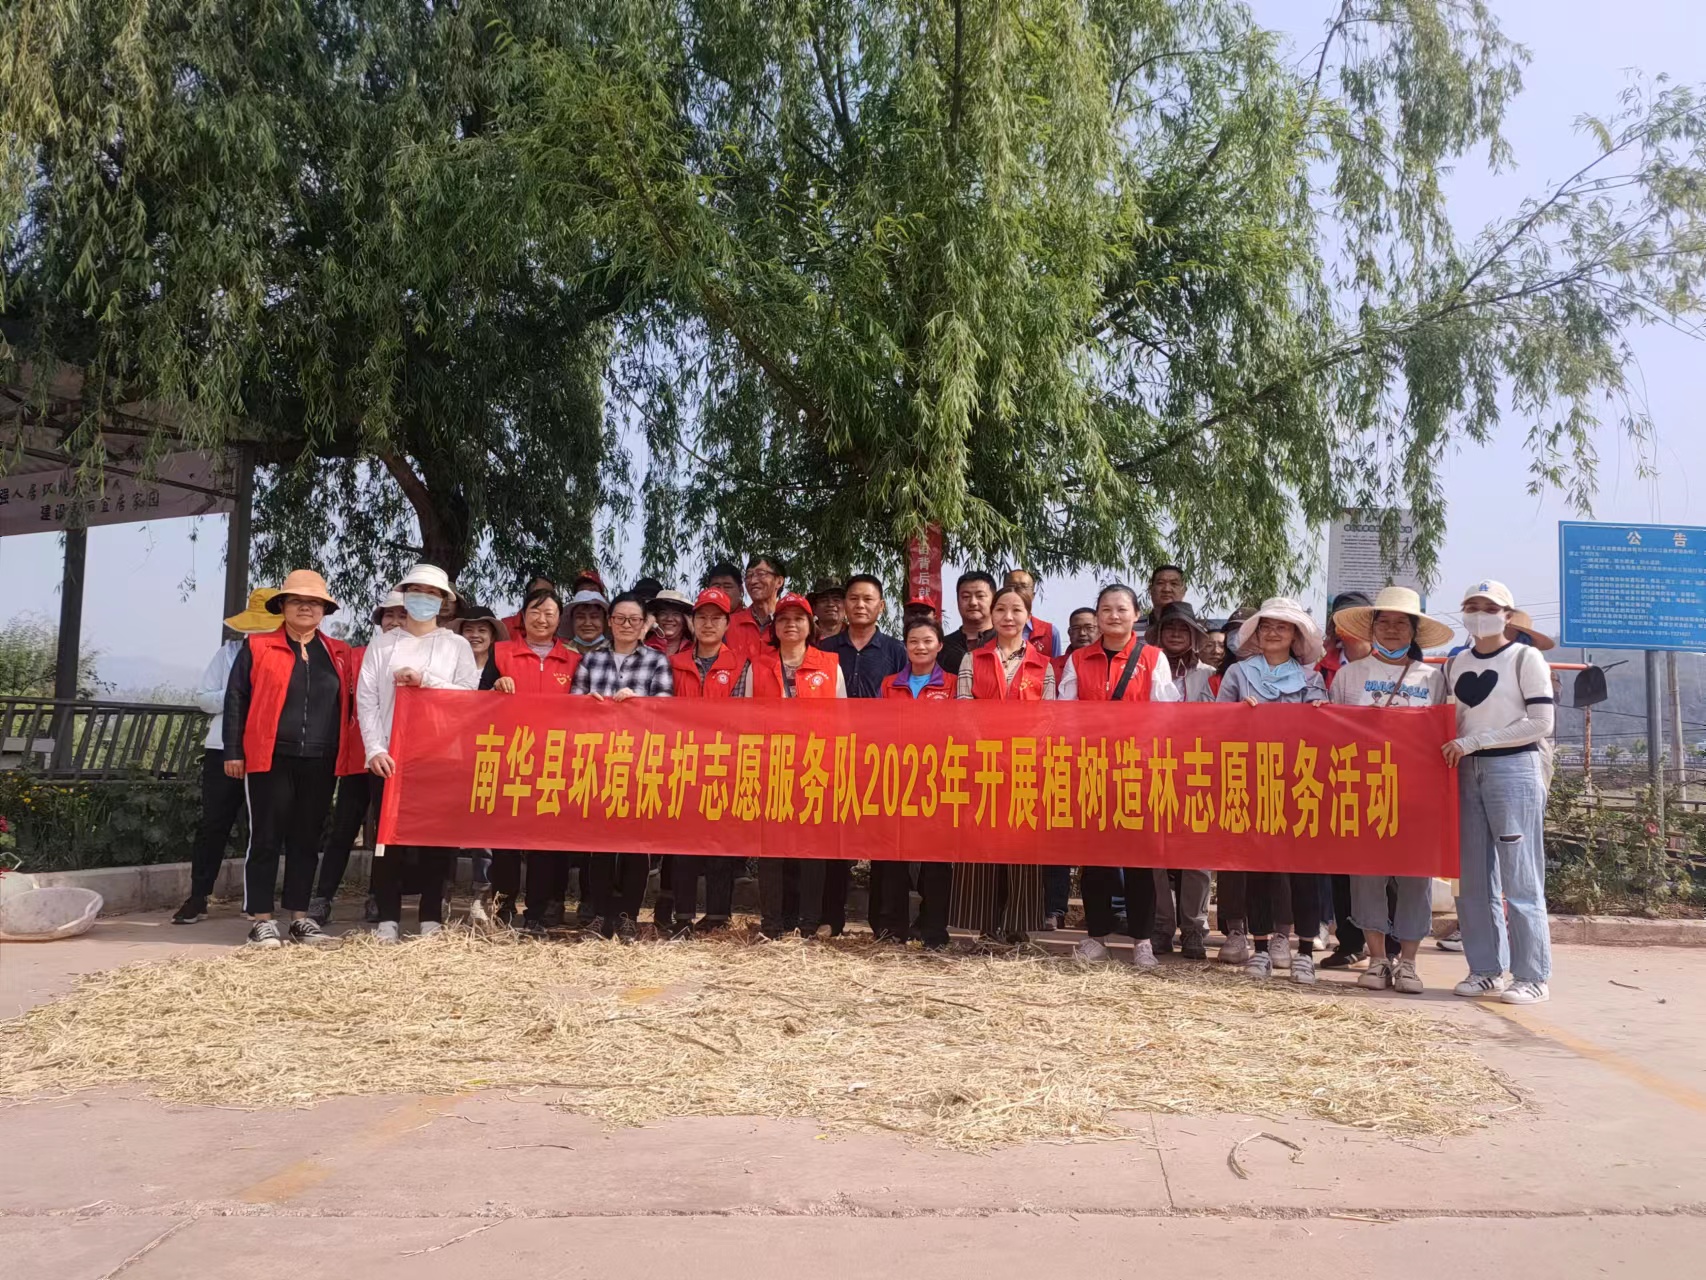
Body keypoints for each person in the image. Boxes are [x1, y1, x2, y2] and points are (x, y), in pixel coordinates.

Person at [1327, 587, 1452, 994]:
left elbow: (1442, 733)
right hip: (1364, 790)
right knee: (1367, 876)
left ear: (1414, 631)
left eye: (1402, 623)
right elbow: (1331, 732)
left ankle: (1409, 962)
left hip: (1417, 794)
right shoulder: (1349, 675)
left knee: (1415, 877)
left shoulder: (1432, 678)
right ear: (1372, 628)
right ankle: (1378, 958)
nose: (1393, 629)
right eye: (1385, 622)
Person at [224, 571, 353, 949]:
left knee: (307, 839)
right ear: (282, 606)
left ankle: (299, 918)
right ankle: (261, 920)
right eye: (296, 601)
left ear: (324, 610)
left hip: (321, 758)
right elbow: (236, 699)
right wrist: (233, 751)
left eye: (314, 603)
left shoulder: (339, 653)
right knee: (265, 836)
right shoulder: (258, 646)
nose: (305, 608)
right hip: (271, 756)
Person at [1444, 579, 1556, 1005]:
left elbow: (1540, 722)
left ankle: (1532, 975)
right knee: (1473, 878)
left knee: (1520, 876)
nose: (1479, 614)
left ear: (1507, 616)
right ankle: (1485, 969)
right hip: (1465, 770)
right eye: (1472, 606)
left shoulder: (1525, 658)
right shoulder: (1456, 663)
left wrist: (1477, 741)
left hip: (1513, 769)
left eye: (1489, 608)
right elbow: (1449, 718)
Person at [1058, 583, 1179, 967]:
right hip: (1091, 770)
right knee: (1095, 860)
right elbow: (1065, 714)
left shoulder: (1153, 658)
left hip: (1139, 771)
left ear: (1136, 614)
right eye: (1106, 609)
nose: (1113, 615)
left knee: (1140, 859)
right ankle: (1096, 936)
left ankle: (1142, 940)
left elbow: (1166, 715)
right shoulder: (1079, 660)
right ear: (1097, 615)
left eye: (1121, 609)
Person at [357, 563, 480, 941]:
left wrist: (426, 680)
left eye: (432, 593)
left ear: (444, 601)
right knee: (388, 839)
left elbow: (468, 696)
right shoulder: (383, 644)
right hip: (391, 756)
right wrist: (375, 748)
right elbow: (367, 699)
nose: (423, 599)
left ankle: (431, 916)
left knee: (436, 840)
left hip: (441, 755)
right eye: (416, 591)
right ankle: (387, 917)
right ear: (404, 595)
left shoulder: (456, 645)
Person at [1216, 596, 1328, 983]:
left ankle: (1305, 951)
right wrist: (1237, 714)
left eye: (1282, 626)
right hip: (1252, 781)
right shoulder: (1238, 674)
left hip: (1299, 782)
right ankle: (1261, 948)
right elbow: (1215, 723)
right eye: (1266, 626)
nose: (1274, 632)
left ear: (1296, 635)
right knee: (1258, 868)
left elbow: (1325, 731)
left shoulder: (1311, 679)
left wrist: (1319, 714)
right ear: (1257, 634)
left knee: (1303, 869)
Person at [171, 588, 282, 926]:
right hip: (222, 749)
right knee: (213, 824)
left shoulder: (288, 656)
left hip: (270, 750)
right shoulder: (229, 653)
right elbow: (204, 699)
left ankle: (255, 900)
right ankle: (198, 895)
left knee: (262, 827)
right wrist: (239, 693)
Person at [950, 587, 1052, 944]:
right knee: (982, 842)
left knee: (1023, 844)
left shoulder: (1043, 664)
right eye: (1001, 610)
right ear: (992, 615)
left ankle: (1018, 925)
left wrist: (1021, 752)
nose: (1008, 617)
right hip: (983, 764)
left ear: (1028, 616)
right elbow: (964, 708)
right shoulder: (972, 659)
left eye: (1017, 610)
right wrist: (988, 750)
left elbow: (1048, 716)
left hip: (1026, 767)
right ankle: (985, 925)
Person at [571, 592, 675, 941]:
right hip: (598, 761)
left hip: (641, 762)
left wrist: (638, 703)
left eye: (634, 619)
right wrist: (587, 704)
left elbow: (666, 707)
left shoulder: (657, 661)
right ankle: (600, 915)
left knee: (636, 843)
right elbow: (572, 705)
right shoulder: (591, 660)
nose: (626, 625)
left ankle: (629, 916)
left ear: (645, 625)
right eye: (620, 618)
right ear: (610, 622)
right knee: (599, 844)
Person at [744, 592, 847, 935]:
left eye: (798, 619)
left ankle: (808, 923)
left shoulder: (829, 665)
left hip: (815, 767)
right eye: (784, 619)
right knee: (771, 848)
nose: (791, 624)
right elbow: (746, 720)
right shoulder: (758, 666)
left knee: (812, 847)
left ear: (810, 625)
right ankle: (773, 923)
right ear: (774, 627)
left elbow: (842, 720)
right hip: (771, 767)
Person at [487, 587, 582, 928]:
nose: (542, 619)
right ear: (523, 616)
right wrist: (495, 687)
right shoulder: (500, 653)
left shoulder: (573, 660)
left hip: (554, 761)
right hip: (509, 758)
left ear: (560, 619)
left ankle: (538, 913)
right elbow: (477, 700)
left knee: (545, 842)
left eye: (549, 613)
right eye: (535, 612)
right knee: (506, 840)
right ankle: (503, 908)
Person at [820, 574, 908, 937]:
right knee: (834, 840)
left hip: (882, 757)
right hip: (835, 756)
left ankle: (885, 922)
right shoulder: (825, 649)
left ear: (881, 607)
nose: (860, 605)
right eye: (853, 598)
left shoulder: (896, 651)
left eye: (868, 599)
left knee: (885, 841)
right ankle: (829, 917)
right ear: (844, 605)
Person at [665, 588, 750, 936]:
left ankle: (718, 915)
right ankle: (682, 914)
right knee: (683, 842)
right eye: (702, 617)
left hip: (724, 763)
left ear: (728, 623)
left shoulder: (741, 665)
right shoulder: (675, 664)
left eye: (716, 618)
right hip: (683, 762)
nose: (708, 624)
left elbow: (742, 716)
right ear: (692, 621)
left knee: (720, 842)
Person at [880, 617, 957, 947]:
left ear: (939, 646)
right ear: (905, 646)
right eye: (913, 641)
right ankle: (893, 927)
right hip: (896, 779)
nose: (920, 647)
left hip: (938, 780)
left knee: (936, 859)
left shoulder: (953, 684)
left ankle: (933, 929)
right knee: (894, 856)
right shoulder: (889, 684)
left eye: (927, 641)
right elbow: (877, 729)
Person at [1148, 601, 1214, 960]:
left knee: (1198, 853)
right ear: (1158, 634)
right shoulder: (1146, 668)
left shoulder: (1209, 674)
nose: (1175, 634)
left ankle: (1194, 928)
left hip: (1198, 770)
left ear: (1194, 636)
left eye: (1183, 629)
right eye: (1169, 628)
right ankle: (1161, 925)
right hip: (1153, 769)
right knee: (1154, 851)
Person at [940, 571, 997, 677]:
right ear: (957, 601)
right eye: (966, 597)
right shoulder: (943, 647)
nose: (973, 602)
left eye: (980, 596)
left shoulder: (1004, 642)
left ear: (994, 601)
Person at [728, 554, 784, 655]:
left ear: (779, 582)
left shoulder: (790, 624)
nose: (753, 581)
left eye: (761, 574)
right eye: (749, 576)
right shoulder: (729, 624)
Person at [1002, 568, 1060, 657]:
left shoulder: (1050, 632)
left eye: (1024, 587)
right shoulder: (992, 629)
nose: (1018, 591)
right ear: (1002, 592)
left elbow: (1056, 664)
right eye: (1012, 586)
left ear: (1033, 595)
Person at [502, 572, 555, 638]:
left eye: (551, 596)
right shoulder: (504, 627)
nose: (545, 599)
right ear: (527, 597)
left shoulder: (557, 629)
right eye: (539, 593)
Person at [1143, 564, 1186, 642]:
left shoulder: (1198, 630)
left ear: (1184, 590)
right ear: (1150, 589)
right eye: (1160, 583)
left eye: (1174, 584)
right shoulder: (1130, 627)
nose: (1166, 589)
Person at [645, 589, 695, 656]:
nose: (669, 619)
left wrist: (693, 631)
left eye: (676, 614)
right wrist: (646, 628)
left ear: (685, 620)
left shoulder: (694, 649)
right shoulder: (644, 647)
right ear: (655, 618)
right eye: (663, 613)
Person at [562, 588, 612, 654]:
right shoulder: (560, 651)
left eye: (594, 617)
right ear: (572, 621)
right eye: (580, 617)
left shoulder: (616, 651)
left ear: (605, 621)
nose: (587, 623)